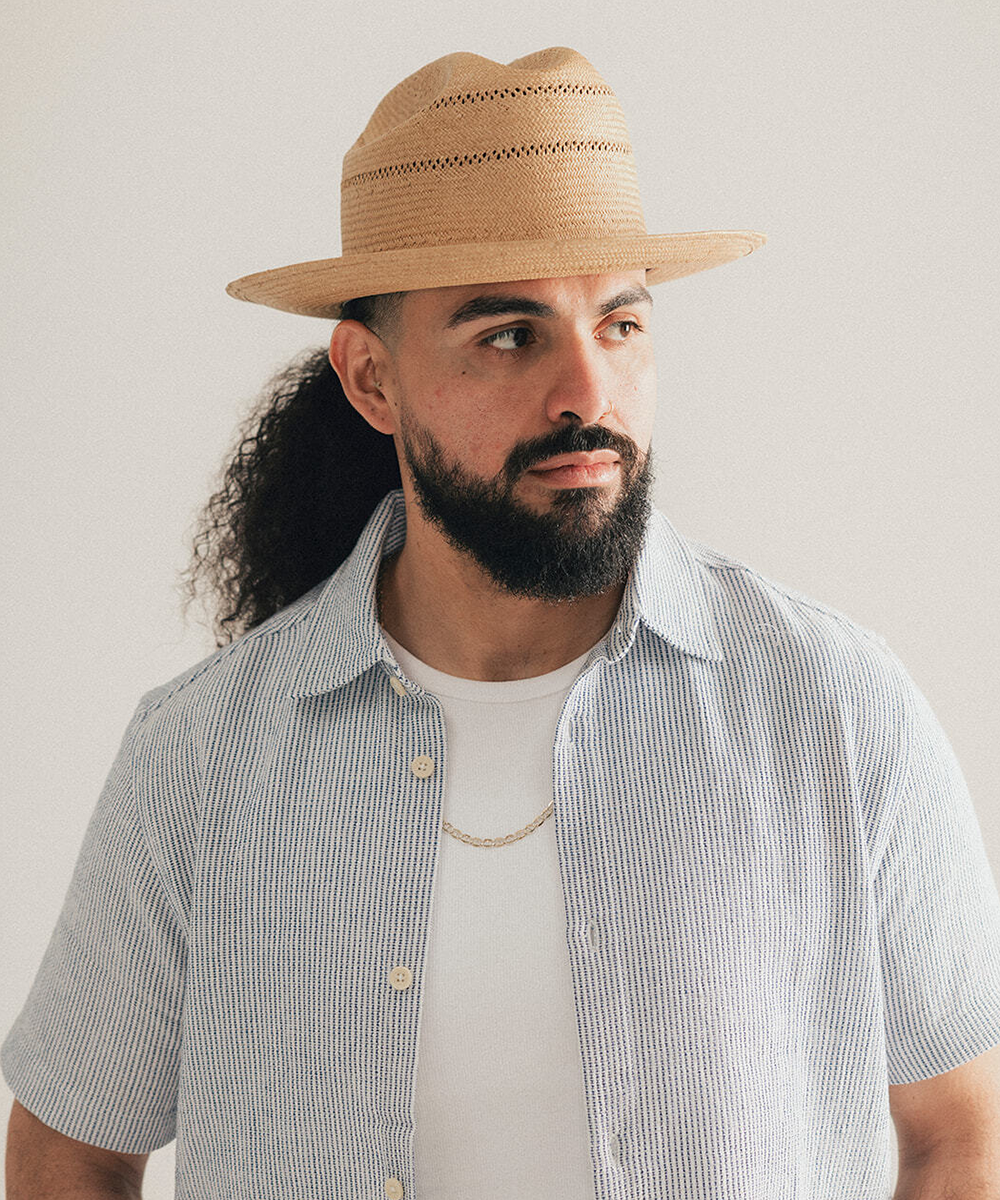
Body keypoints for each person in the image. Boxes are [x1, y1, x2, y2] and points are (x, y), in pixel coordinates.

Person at [4, 45, 1000, 1200]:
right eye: (510, 335)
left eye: (619, 324)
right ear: (371, 379)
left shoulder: (833, 709)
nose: (587, 393)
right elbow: (69, 1152)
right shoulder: (202, 755)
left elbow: (963, 1135)